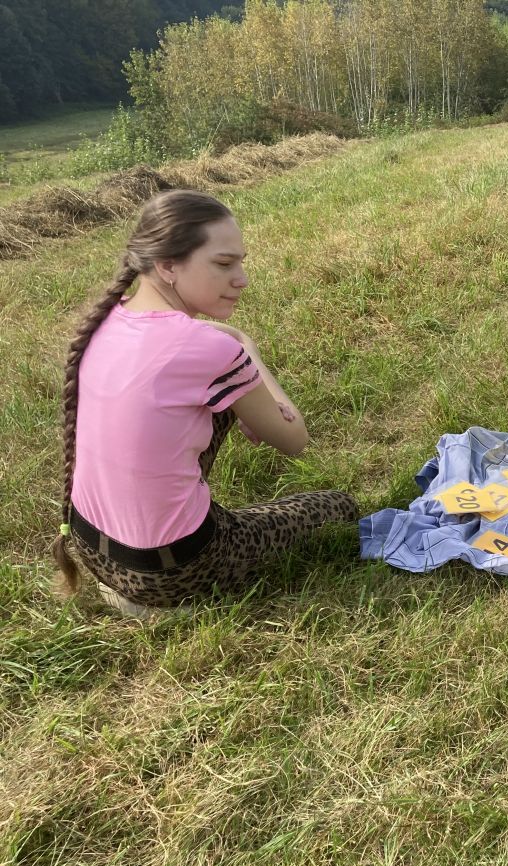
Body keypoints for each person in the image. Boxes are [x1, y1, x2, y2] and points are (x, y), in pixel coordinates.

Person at [51, 189, 358, 615]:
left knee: (218, 397)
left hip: (92, 548)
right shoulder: (210, 350)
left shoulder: (106, 321)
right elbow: (295, 440)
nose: (242, 279)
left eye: (241, 262)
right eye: (224, 264)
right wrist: (248, 353)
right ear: (167, 265)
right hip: (172, 570)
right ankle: (165, 600)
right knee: (339, 506)